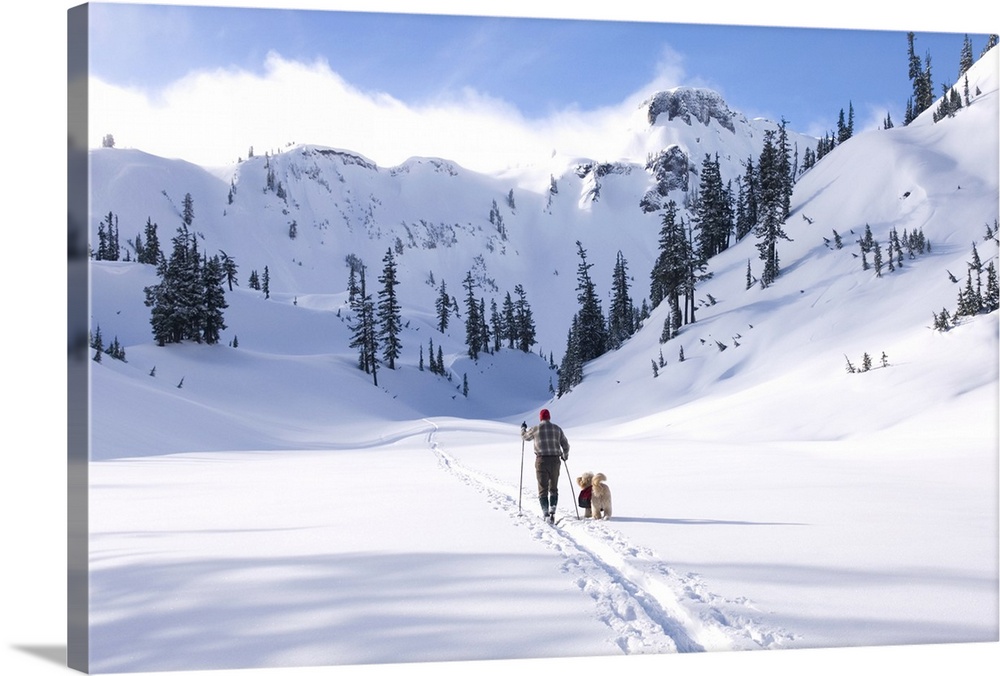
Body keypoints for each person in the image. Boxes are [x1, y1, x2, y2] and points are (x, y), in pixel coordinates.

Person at [520, 408, 570, 522]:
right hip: (555, 460)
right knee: (553, 487)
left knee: (543, 488)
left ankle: (545, 514)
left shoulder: (535, 429)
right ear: (549, 417)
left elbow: (525, 437)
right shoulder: (557, 429)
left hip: (541, 461)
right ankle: (553, 511)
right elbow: (566, 445)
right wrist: (565, 456)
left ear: (540, 418)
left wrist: (523, 429)